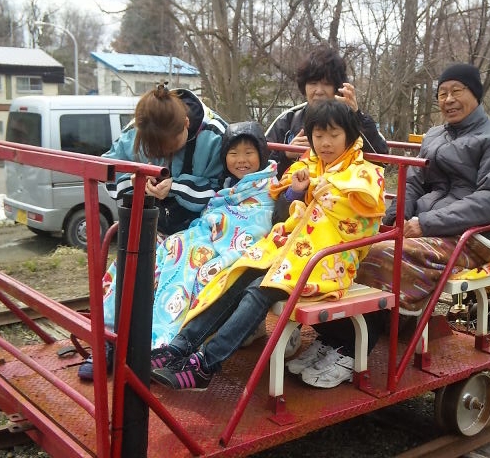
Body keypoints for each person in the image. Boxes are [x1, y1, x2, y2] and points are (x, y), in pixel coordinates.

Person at [288, 63, 490, 382]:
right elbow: (413, 183)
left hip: (470, 236)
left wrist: (426, 223)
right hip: (424, 226)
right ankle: (333, 338)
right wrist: (390, 220)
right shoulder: (434, 136)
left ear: (476, 94)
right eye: (442, 93)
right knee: (350, 247)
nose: (449, 99)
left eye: (457, 91)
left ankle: (353, 349)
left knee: (379, 256)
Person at [149, 99, 386, 390]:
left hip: (327, 259)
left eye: (334, 135)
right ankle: (180, 346)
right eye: (318, 135)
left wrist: (320, 194)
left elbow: (359, 224)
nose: (325, 143)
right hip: (291, 249)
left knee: (257, 291)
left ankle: (207, 364)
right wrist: (295, 193)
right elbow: (282, 213)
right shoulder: (307, 167)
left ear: (349, 136)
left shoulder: (363, 174)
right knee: (236, 275)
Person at [78, 122, 275, 381]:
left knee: (188, 270)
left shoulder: (269, 185)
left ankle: (156, 344)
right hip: (196, 235)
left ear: (262, 153)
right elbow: (214, 207)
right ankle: (108, 337)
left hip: (228, 245)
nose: (241, 160)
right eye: (233, 153)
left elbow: (257, 221)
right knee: (139, 259)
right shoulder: (226, 183)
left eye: (249, 153)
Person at [103, 83, 227, 235]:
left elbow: (227, 193)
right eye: (155, 149)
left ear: (186, 123)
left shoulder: (217, 136)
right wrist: (133, 182)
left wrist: (176, 187)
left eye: (172, 146)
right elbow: (106, 176)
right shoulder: (138, 128)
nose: (165, 154)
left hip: (202, 233)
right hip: (150, 230)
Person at [266, 45, 388, 179]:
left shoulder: (352, 118)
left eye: (326, 84)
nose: (319, 91)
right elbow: (260, 167)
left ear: (338, 87)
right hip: (295, 191)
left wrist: (357, 116)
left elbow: (383, 161)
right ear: (304, 86)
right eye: (313, 83)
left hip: (343, 190)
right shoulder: (288, 120)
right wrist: (286, 154)